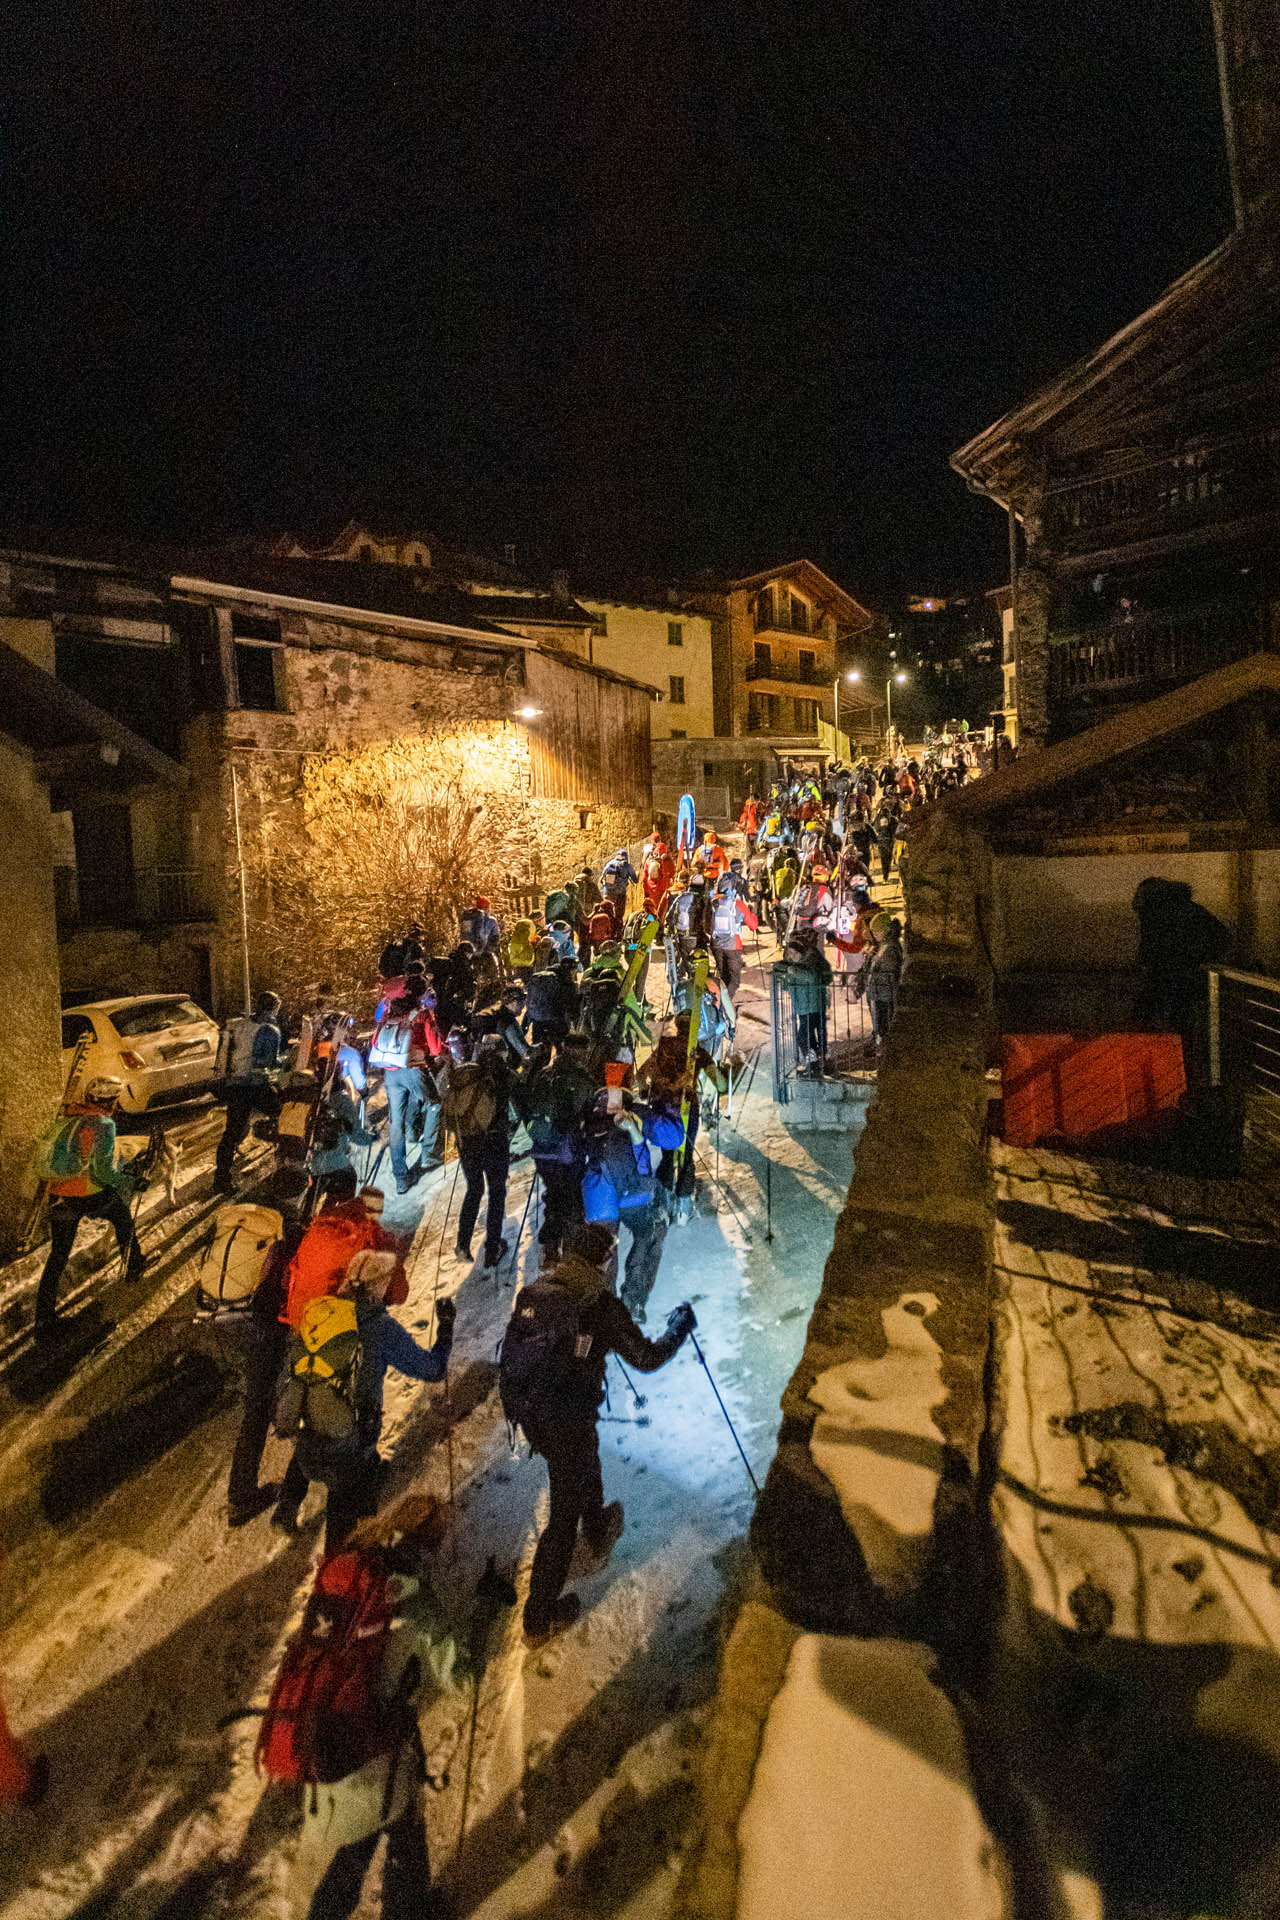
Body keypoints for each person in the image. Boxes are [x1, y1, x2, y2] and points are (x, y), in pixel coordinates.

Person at [504, 1223, 695, 1643]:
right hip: (567, 1419)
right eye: (610, 1255)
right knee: (562, 1513)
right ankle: (538, 1618)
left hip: (535, 1414)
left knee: (584, 1459)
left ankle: (596, 1526)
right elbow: (646, 1358)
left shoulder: (540, 1291)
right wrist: (680, 1328)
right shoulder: (600, 1305)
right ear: (602, 1261)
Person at [291, 1494, 480, 1920]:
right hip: (373, 1750)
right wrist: (482, 1618)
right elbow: (460, 1678)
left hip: (327, 1736)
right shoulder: (410, 1597)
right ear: (428, 1540)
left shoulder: (352, 1577)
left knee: (363, 1838)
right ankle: (407, 1912)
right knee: (399, 1826)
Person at [274, 1250, 454, 1548]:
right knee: (345, 1523)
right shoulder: (380, 1328)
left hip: (306, 1439)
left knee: (323, 1405)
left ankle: (286, 1508)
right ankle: (337, 1567)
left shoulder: (324, 1313)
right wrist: (445, 1328)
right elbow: (432, 1370)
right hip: (349, 1446)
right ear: (381, 1288)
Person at [31, 1075, 149, 1339]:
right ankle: (134, 1265)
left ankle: (44, 1321)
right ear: (111, 1101)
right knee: (121, 1216)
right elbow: (104, 1173)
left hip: (59, 1196)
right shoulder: (103, 1125)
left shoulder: (66, 1117)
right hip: (87, 1194)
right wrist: (133, 1181)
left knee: (58, 1256)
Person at [581, 1094, 684, 1318]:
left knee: (603, 1249)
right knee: (650, 1232)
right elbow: (674, 1139)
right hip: (633, 1191)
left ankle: (605, 1312)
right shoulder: (635, 1112)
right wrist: (669, 1108)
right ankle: (633, 1300)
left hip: (598, 1193)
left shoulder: (587, 1114)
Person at [441, 1036, 514, 1269]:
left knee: (474, 1189)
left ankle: (463, 1244)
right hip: (494, 1142)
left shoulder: (470, 1074)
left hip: (467, 1141)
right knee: (496, 1193)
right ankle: (492, 1249)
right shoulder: (503, 1075)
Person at [521, 1034, 595, 1262]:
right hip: (567, 1150)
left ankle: (551, 1249)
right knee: (572, 1195)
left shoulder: (543, 1074)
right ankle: (572, 1251)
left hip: (542, 1149)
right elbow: (590, 1113)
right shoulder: (582, 1079)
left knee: (554, 1194)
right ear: (580, 1052)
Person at [369, 992, 444, 1196]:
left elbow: (375, 1041)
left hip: (390, 1072)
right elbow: (435, 1048)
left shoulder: (388, 1015)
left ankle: (401, 1178)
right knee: (434, 1103)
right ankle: (428, 1154)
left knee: (396, 1122)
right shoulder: (422, 1015)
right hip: (413, 1069)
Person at [214, 990, 286, 1194]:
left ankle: (221, 1179)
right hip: (254, 1086)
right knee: (284, 1113)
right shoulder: (269, 1031)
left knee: (231, 1133)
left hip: (234, 1086)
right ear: (274, 1007)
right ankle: (282, 1161)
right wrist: (283, 1062)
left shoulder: (239, 1025)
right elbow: (265, 1064)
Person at [780, 929, 833, 1073]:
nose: (790, 956)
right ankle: (815, 1064)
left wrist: (793, 972)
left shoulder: (810, 960)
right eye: (789, 953)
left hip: (812, 1005)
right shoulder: (795, 963)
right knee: (809, 1036)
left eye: (793, 953)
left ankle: (816, 1062)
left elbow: (814, 976)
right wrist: (785, 978)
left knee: (803, 1037)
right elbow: (787, 985)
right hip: (802, 1006)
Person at [710, 877, 758, 998]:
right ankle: (723, 1005)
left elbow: (707, 926)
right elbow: (753, 925)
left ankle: (720, 1001)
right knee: (734, 981)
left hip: (716, 944)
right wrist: (752, 914)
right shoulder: (738, 905)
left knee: (723, 977)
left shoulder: (713, 903)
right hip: (733, 945)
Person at [866, 913, 904, 1046]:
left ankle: (885, 1048)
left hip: (885, 994)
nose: (875, 934)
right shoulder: (883, 945)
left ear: (885, 930)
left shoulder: (890, 948)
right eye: (873, 931)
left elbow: (889, 972)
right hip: (880, 993)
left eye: (877, 931)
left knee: (885, 1025)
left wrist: (874, 974)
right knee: (881, 1025)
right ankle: (881, 1045)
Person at [601, 848, 638, 914]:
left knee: (607, 911)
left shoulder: (609, 863)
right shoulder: (627, 865)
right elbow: (635, 879)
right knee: (619, 913)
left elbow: (603, 877)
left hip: (608, 892)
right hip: (620, 893)